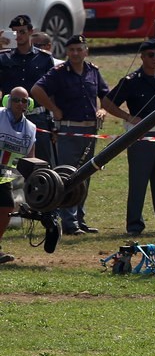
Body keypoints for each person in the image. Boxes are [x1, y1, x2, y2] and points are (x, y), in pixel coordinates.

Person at [30, 34, 108, 235]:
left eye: (79, 49)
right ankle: (69, 222)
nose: (75, 53)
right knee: (68, 175)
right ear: (67, 52)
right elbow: (37, 89)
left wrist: (102, 110)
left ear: (86, 50)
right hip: (69, 129)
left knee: (86, 174)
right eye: (71, 50)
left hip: (90, 130)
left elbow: (105, 95)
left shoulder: (93, 71)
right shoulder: (59, 72)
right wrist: (54, 109)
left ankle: (80, 219)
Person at [102, 39, 155, 237]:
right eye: (150, 55)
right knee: (138, 183)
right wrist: (128, 117)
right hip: (141, 136)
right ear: (142, 57)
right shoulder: (131, 81)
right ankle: (134, 225)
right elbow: (107, 102)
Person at [0, 15, 56, 165]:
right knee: (7, 163)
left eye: (23, 31)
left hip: (37, 117)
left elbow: (52, 91)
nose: (19, 36)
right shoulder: (3, 58)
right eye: (15, 32)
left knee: (40, 162)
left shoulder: (44, 59)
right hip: (9, 118)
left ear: (31, 31)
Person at [0, 86, 38, 264]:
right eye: (15, 99)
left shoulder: (30, 128)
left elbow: (30, 156)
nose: (19, 103)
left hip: (5, 171)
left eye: (24, 100)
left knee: (7, 207)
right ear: (8, 100)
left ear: (28, 103)